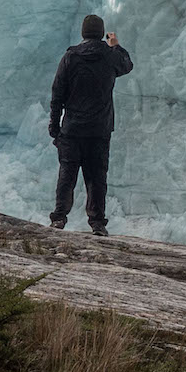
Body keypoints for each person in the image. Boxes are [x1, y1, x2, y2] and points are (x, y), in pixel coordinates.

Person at [48, 13, 132, 236]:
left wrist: (54, 127)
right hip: (99, 130)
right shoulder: (110, 56)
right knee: (97, 177)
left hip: (72, 129)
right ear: (101, 33)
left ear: (83, 33)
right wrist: (116, 46)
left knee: (67, 174)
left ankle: (59, 218)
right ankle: (97, 223)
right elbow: (127, 65)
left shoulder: (70, 57)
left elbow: (57, 93)